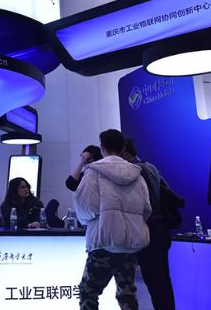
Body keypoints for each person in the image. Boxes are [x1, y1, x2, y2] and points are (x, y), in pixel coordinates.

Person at [74, 129, 151, 310]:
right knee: (127, 294)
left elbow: (84, 208)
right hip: (130, 244)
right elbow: (146, 209)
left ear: (102, 147)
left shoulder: (93, 172)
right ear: (123, 148)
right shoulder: (137, 175)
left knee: (88, 292)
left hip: (104, 242)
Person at [121, 138, 175, 310]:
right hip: (161, 231)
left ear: (125, 153)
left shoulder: (138, 171)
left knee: (156, 284)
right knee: (162, 282)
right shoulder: (150, 167)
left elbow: (145, 206)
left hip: (151, 233)